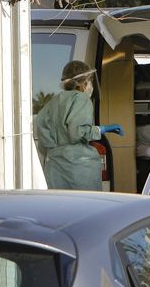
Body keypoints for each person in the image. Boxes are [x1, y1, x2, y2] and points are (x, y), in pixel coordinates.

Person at [34, 60, 124, 190]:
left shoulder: (54, 101)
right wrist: (101, 129)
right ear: (84, 83)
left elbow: (41, 124)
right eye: (90, 80)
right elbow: (77, 132)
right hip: (79, 168)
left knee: (60, 207)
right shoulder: (81, 99)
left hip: (54, 167)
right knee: (85, 207)